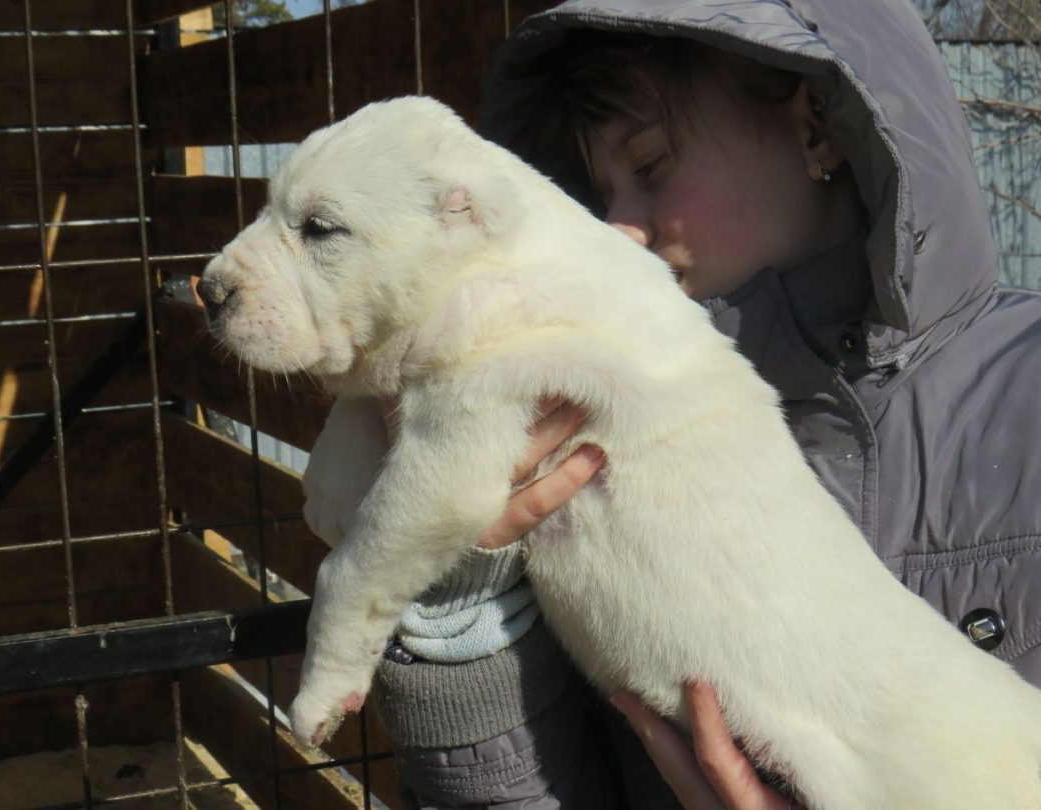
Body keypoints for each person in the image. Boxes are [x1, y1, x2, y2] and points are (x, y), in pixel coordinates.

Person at [360, 1, 1041, 807]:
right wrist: (461, 613)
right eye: (599, 191)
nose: (615, 227)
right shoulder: (577, 429)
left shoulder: (1023, 390)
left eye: (648, 167)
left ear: (818, 126)